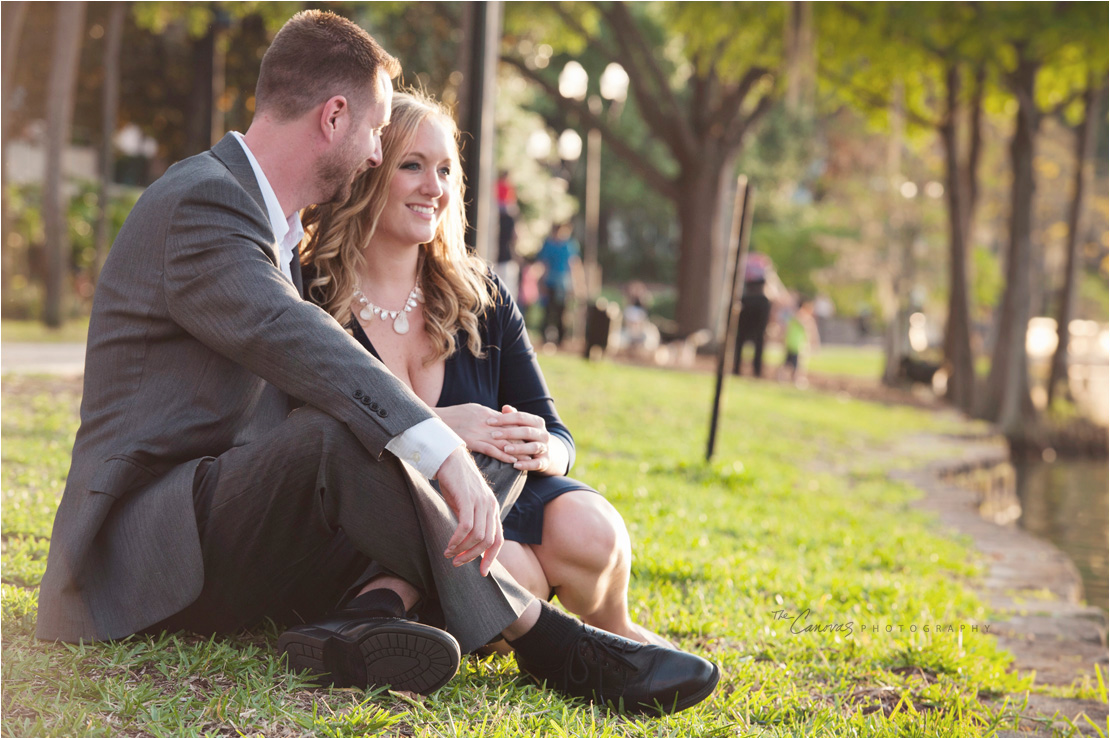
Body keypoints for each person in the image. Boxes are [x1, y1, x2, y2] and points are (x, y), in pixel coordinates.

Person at [33, 11, 717, 715]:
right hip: (145, 552)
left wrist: (470, 442)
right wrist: (444, 448)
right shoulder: (203, 203)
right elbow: (298, 339)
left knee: (490, 438)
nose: (373, 156)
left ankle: (362, 619)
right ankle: (545, 638)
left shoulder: (272, 229)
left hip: (248, 527)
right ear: (334, 117)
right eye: (376, 131)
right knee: (346, 432)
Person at [301, 89, 677, 651]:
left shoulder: (481, 296)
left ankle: (618, 633)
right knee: (510, 572)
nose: (435, 187)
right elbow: (303, 440)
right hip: (381, 526)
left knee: (592, 528)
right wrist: (440, 426)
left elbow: (558, 435)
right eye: (413, 166)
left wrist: (541, 448)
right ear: (369, 171)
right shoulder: (311, 295)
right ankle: (390, 609)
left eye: (447, 170)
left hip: (495, 502)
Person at [536, 222, 582, 346]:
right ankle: (546, 337)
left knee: (562, 312)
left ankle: (561, 339)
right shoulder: (548, 245)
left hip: (563, 284)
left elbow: (574, 265)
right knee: (548, 311)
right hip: (550, 282)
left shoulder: (569, 245)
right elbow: (544, 264)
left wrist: (577, 285)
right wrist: (541, 283)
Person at [731, 254, 773, 378]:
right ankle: (756, 370)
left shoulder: (751, 264)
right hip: (756, 307)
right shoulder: (763, 300)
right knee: (755, 343)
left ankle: (741, 368)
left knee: (743, 342)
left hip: (750, 306)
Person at [781, 296, 820, 386]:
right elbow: (807, 329)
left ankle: (787, 379)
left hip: (793, 343)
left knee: (789, 363)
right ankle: (796, 380)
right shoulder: (801, 317)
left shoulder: (794, 316)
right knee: (796, 365)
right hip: (796, 344)